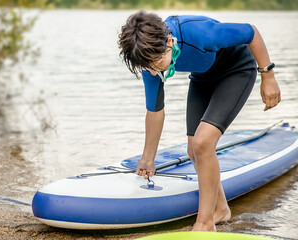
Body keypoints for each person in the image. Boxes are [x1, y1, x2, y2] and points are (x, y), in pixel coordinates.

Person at [118, 11, 280, 232]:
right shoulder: (147, 58)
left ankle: (205, 224)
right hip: (203, 77)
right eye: (148, 68)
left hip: (237, 69)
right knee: (193, 149)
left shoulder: (201, 34)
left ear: (168, 42)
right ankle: (221, 210)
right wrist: (148, 159)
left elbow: (251, 32)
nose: (154, 71)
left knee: (203, 142)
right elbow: (155, 111)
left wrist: (267, 76)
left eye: (157, 63)